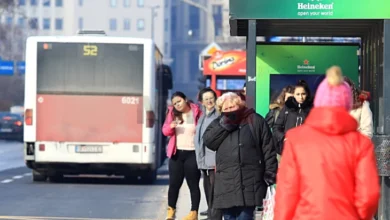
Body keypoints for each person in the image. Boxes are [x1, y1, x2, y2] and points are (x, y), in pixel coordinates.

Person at [274, 66, 380, 220]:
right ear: (347, 104)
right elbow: (368, 195)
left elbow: (286, 193)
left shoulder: (296, 140)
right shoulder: (360, 144)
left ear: (318, 101)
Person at [202, 92, 278, 220]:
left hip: (250, 181)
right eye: (226, 109)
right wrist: (225, 124)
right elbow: (209, 141)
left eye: (232, 107)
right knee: (229, 217)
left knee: (245, 216)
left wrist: (270, 173)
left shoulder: (255, 120)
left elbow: (268, 149)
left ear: (240, 105)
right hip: (226, 183)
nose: (230, 111)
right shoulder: (218, 123)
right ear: (221, 110)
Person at [162, 91, 202, 220]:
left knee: (193, 184)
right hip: (176, 154)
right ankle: (171, 212)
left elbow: (202, 130)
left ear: (185, 99)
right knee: (174, 184)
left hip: (192, 153)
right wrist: (171, 127)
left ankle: (194, 212)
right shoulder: (173, 114)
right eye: (174, 103)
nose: (177, 105)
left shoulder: (196, 112)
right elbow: (165, 131)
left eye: (179, 101)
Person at [194, 88, 223, 220]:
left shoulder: (218, 116)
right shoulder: (202, 116)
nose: (209, 101)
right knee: (207, 189)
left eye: (211, 98)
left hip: (214, 159)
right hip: (204, 160)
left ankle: (215, 216)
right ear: (201, 102)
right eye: (206, 99)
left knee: (215, 190)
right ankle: (211, 214)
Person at [273, 80, 313, 154]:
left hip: (306, 150)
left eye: (303, 94)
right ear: (293, 95)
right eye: (298, 94)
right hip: (288, 149)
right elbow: (276, 127)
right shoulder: (288, 107)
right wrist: (284, 137)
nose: (301, 97)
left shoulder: (312, 109)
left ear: (307, 94)